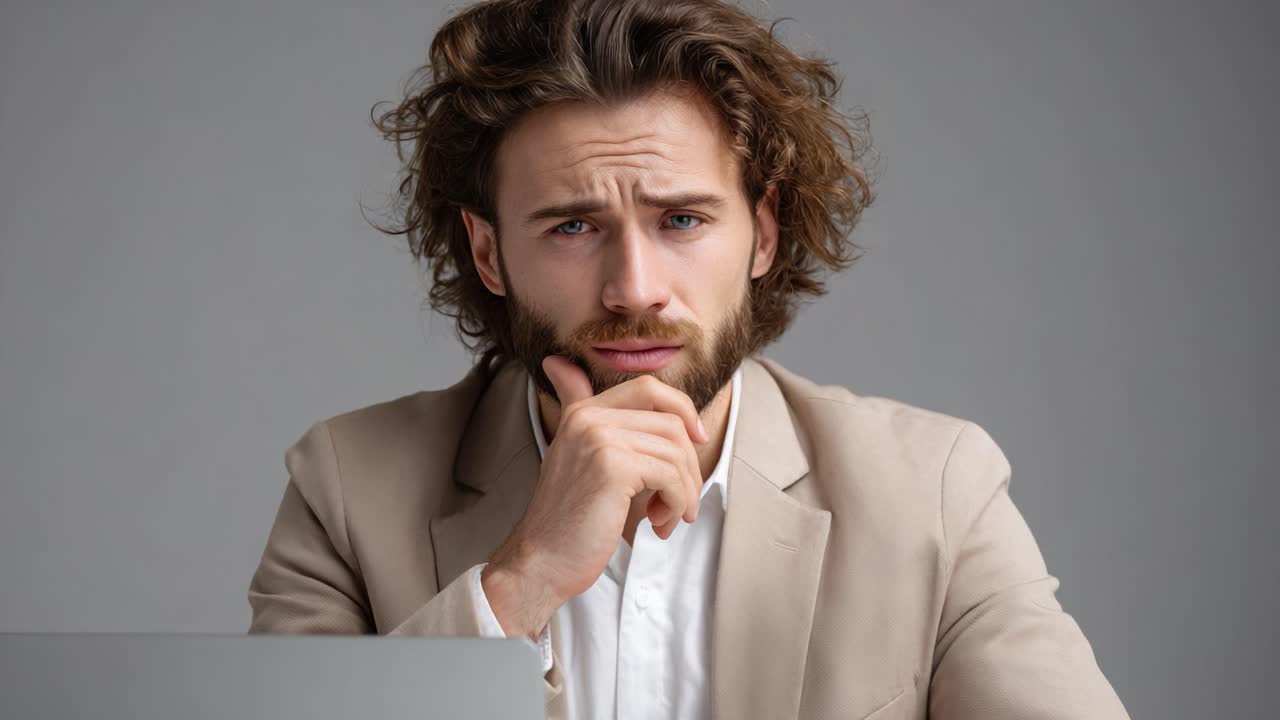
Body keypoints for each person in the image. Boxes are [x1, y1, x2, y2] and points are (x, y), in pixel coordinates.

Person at [247, 1, 1130, 717]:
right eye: (573, 226)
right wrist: (521, 583)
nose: (634, 289)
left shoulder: (934, 489)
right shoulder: (347, 487)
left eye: (682, 220)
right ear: (488, 254)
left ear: (764, 232)